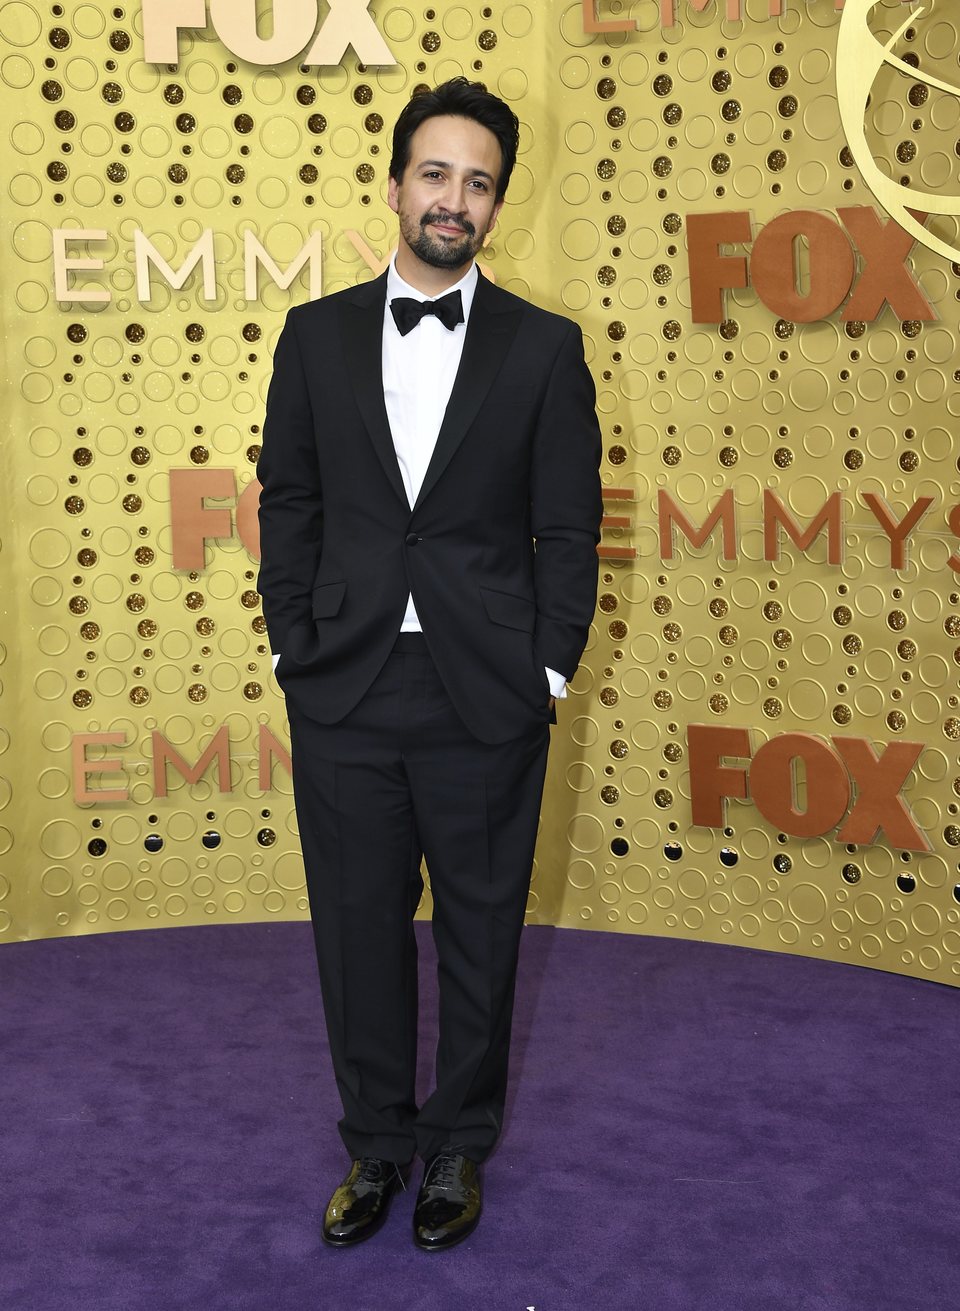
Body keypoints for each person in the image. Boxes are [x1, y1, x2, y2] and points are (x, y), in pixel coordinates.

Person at [257, 77, 602, 1251]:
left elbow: (570, 528)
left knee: (480, 931)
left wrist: (547, 670)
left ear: (498, 203)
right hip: (345, 686)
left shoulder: (547, 351)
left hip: (485, 692)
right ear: (398, 181)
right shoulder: (313, 336)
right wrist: (289, 643)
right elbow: (291, 498)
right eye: (437, 173)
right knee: (355, 932)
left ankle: (456, 1144)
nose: (455, 199)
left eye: (480, 182)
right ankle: (376, 1145)